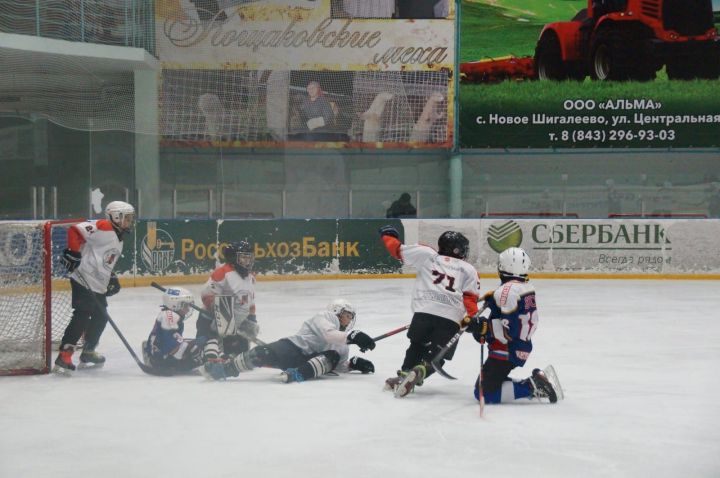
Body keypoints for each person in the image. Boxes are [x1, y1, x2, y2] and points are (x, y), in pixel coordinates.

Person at [379, 226, 481, 398]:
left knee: (416, 346)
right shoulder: (468, 269)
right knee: (437, 358)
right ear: (458, 250)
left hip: (423, 314)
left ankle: (404, 374)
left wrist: (387, 235)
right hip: (451, 319)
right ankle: (420, 371)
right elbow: (470, 298)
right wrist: (473, 318)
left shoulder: (427, 254)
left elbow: (396, 249)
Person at [468, 247, 562, 404]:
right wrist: (495, 302)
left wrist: (484, 327)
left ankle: (533, 386)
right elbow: (514, 314)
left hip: (505, 350)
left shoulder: (505, 291)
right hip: (520, 346)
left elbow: (509, 330)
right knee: (490, 381)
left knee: (484, 394)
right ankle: (533, 382)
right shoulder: (526, 286)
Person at [202, 298, 376, 383]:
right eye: (346, 316)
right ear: (336, 311)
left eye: (349, 318)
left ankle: (296, 374)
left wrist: (353, 364)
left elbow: (336, 366)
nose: (347, 321)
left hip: (304, 363)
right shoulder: (325, 317)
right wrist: (353, 336)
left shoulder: (343, 342)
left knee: (332, 355)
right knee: (259, 354)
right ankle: (224, 369)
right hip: (292, 348)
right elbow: (328, 335)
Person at [53, 200, 135, 373]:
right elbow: (76, 230)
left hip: (97, 284)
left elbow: (104, 260)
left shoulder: (119, 237)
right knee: (83, 314)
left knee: (101, 316)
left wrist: (111, 277)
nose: (129, 222)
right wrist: (74, 252)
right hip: (83, 278)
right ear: (116, 216)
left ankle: (88, 351)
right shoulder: (105, 226)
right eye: (127, 218)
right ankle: (65, 354)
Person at [197, 240, 259, 363]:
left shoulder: (250, 276)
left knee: (240, 356)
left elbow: (250, 302)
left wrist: (252, 320)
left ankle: (233, 345)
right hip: (216, 326)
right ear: (233, 258)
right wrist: (224, 317)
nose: (248, 261)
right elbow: (206, 295)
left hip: (238, 325)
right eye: (243, 258)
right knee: (217, 354)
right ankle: (207, 345)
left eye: (249, 258)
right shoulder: (222, 272)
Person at [142, 287, 204, 374]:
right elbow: (171, 346)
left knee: (196, 343)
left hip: (158, 356)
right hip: (164, 361)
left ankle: (152, 355)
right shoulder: (171, 316)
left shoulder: (168, 314)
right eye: (185, 305)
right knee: (201, 343)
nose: (188, 309)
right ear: (174, 304)